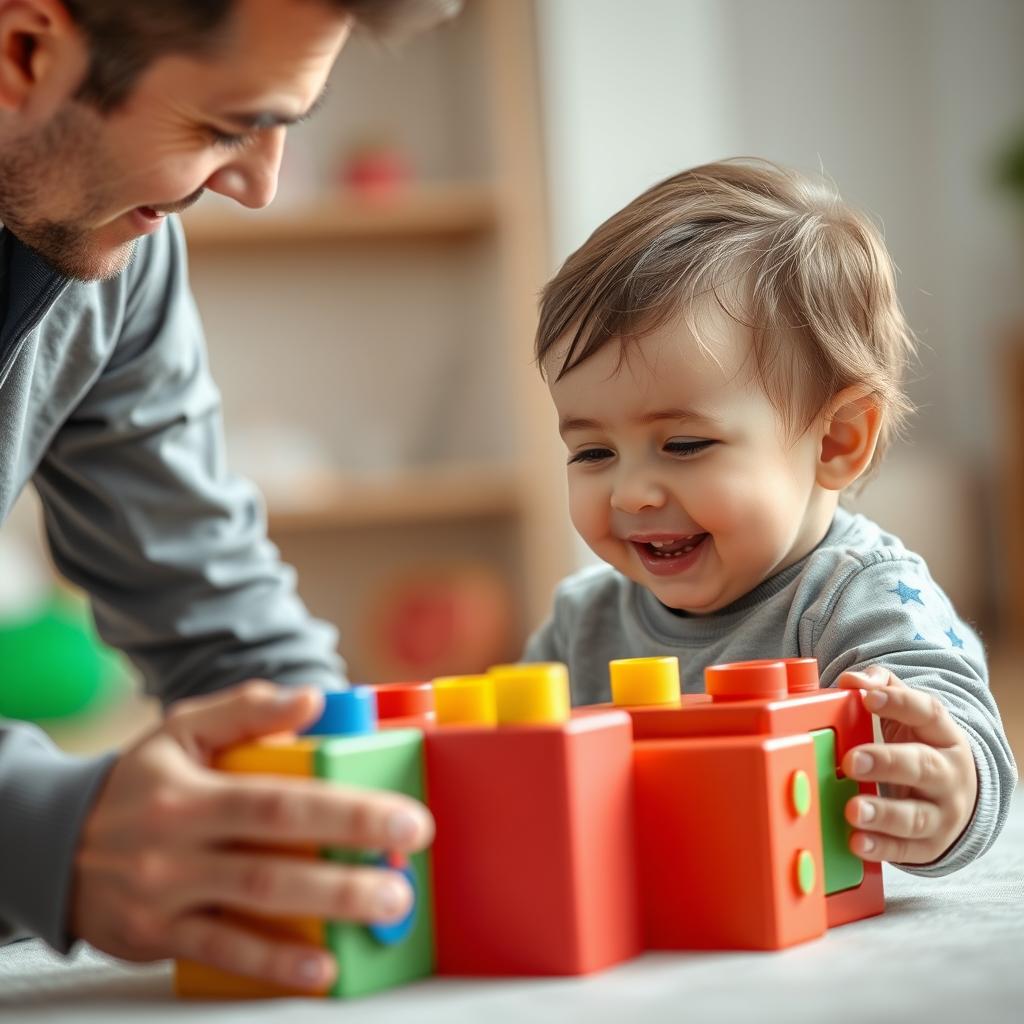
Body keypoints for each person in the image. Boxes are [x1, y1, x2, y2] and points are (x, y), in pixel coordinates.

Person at [0, 0, 458, 993]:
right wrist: (44, 828)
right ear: (24, 52)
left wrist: (369, 806)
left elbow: (219, 613)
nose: (256, 187)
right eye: (222, 127)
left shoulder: (116, 254)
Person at [524, 159, 1017, 874]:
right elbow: (520, 762)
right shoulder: (584, 623)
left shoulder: (856, 599)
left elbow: (953, 725)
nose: (630, 494)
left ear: (836, 440)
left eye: (684, 444)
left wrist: (951, 790)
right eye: (593, 452)